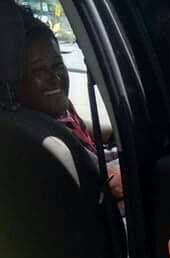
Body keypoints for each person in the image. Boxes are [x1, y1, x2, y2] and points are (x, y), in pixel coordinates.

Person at [2, 5, 122, 200]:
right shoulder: (43, 138)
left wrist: (120, 131)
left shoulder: (55, 108)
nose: (55, 77)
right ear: (12, 81)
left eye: (58, 64)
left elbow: (82, 128)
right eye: (39, 70)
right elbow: (111, 183)